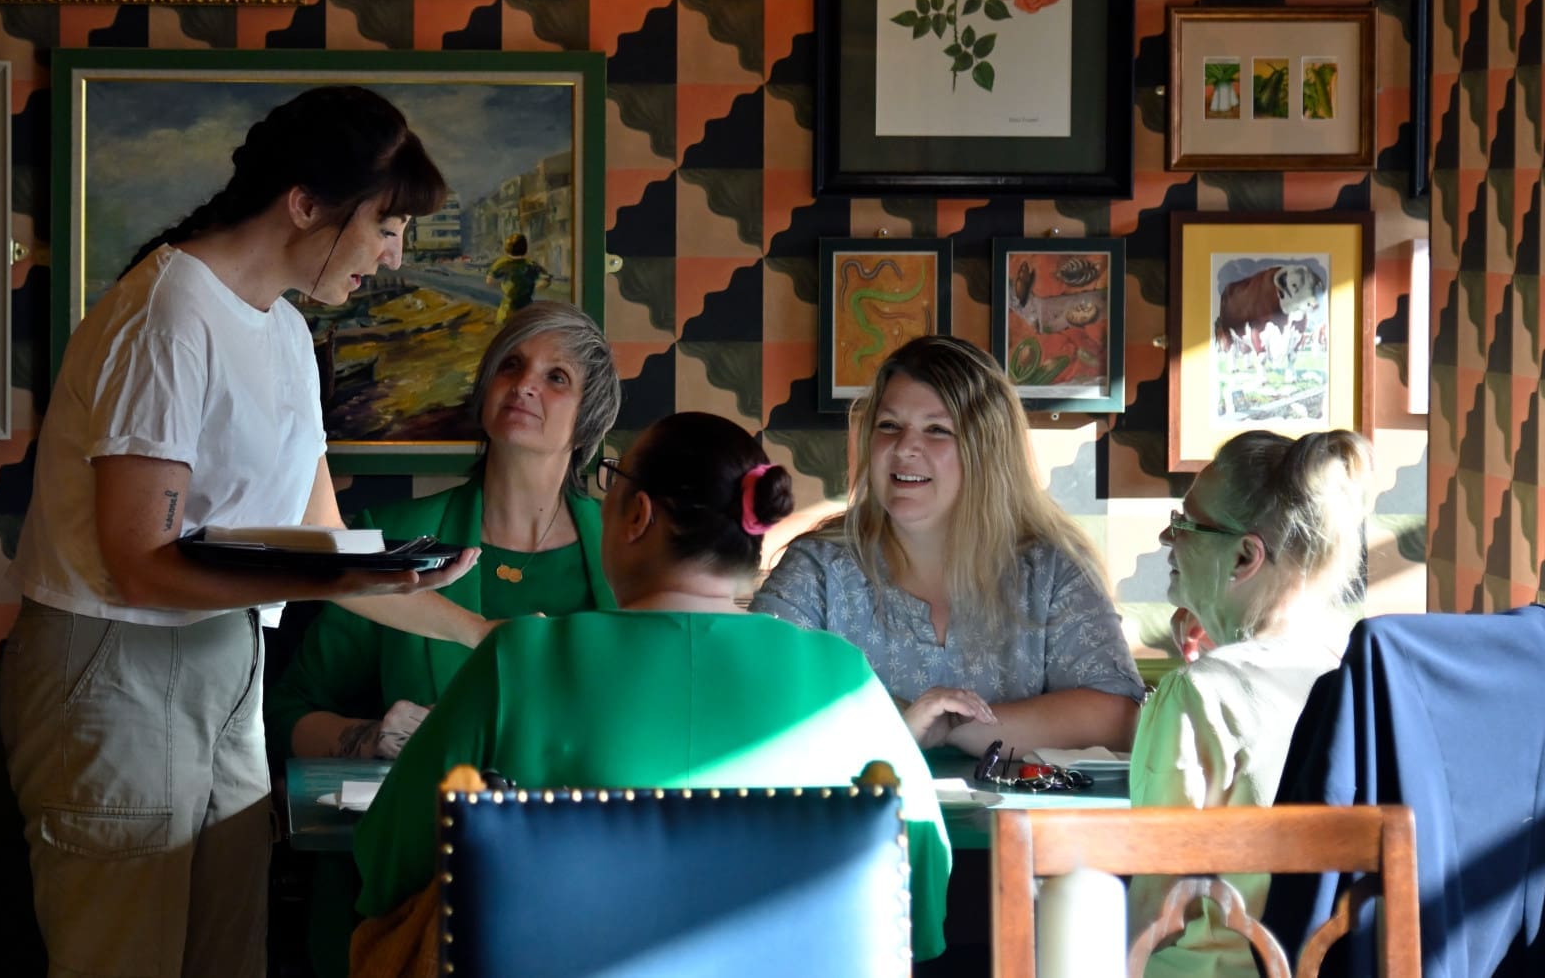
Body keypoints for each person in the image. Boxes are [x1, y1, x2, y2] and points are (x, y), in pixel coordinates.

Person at [0, 86, 492, 978]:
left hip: (229, 660)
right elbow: (143, 566)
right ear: (305, 204)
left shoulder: (289, 336)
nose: (392, 255)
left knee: (228, 958)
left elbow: (333, 549)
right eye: (386, 225)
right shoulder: (169, 313)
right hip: (116, 665)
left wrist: (490, 639)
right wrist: (334, 583)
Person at [351, 412, 953, 963]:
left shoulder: (521, 661)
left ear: (637, 515)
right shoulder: (843, 680)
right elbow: (919, 906)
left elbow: (385, 863)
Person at [263, 300, 622, 978]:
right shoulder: (386, 536)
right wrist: (366, 736)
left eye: (556, 378)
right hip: (404, 898)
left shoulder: (628, 555)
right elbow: (286, 716)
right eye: (511, 366)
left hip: (589, 890)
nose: (525, 385)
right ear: (484, 391)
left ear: (589, 420)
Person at [751, 335, 1145, 755]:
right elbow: (751, 694)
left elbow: (1116, 717)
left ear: (987, 450)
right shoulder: (819, 567)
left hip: (1016, 821)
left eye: (937, 430)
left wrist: (949, 727)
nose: (904, 448)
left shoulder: (1049, 571)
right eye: (889, 426)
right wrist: (905, 725)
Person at [1129, 429, 1370, 978]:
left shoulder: (1198, 695)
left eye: (1187, 523)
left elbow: (1156, 905)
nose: (1169, 536)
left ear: (1244, 556)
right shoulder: (1353, 677)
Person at [484, 231, 545, 324]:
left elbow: (489, 281)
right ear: (525, 248)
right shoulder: (530, 264)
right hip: (527, 310)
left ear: (507, 249)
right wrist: (534, 285)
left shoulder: (502, 263)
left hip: (507, 310)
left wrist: (503, 285)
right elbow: (545, 279)